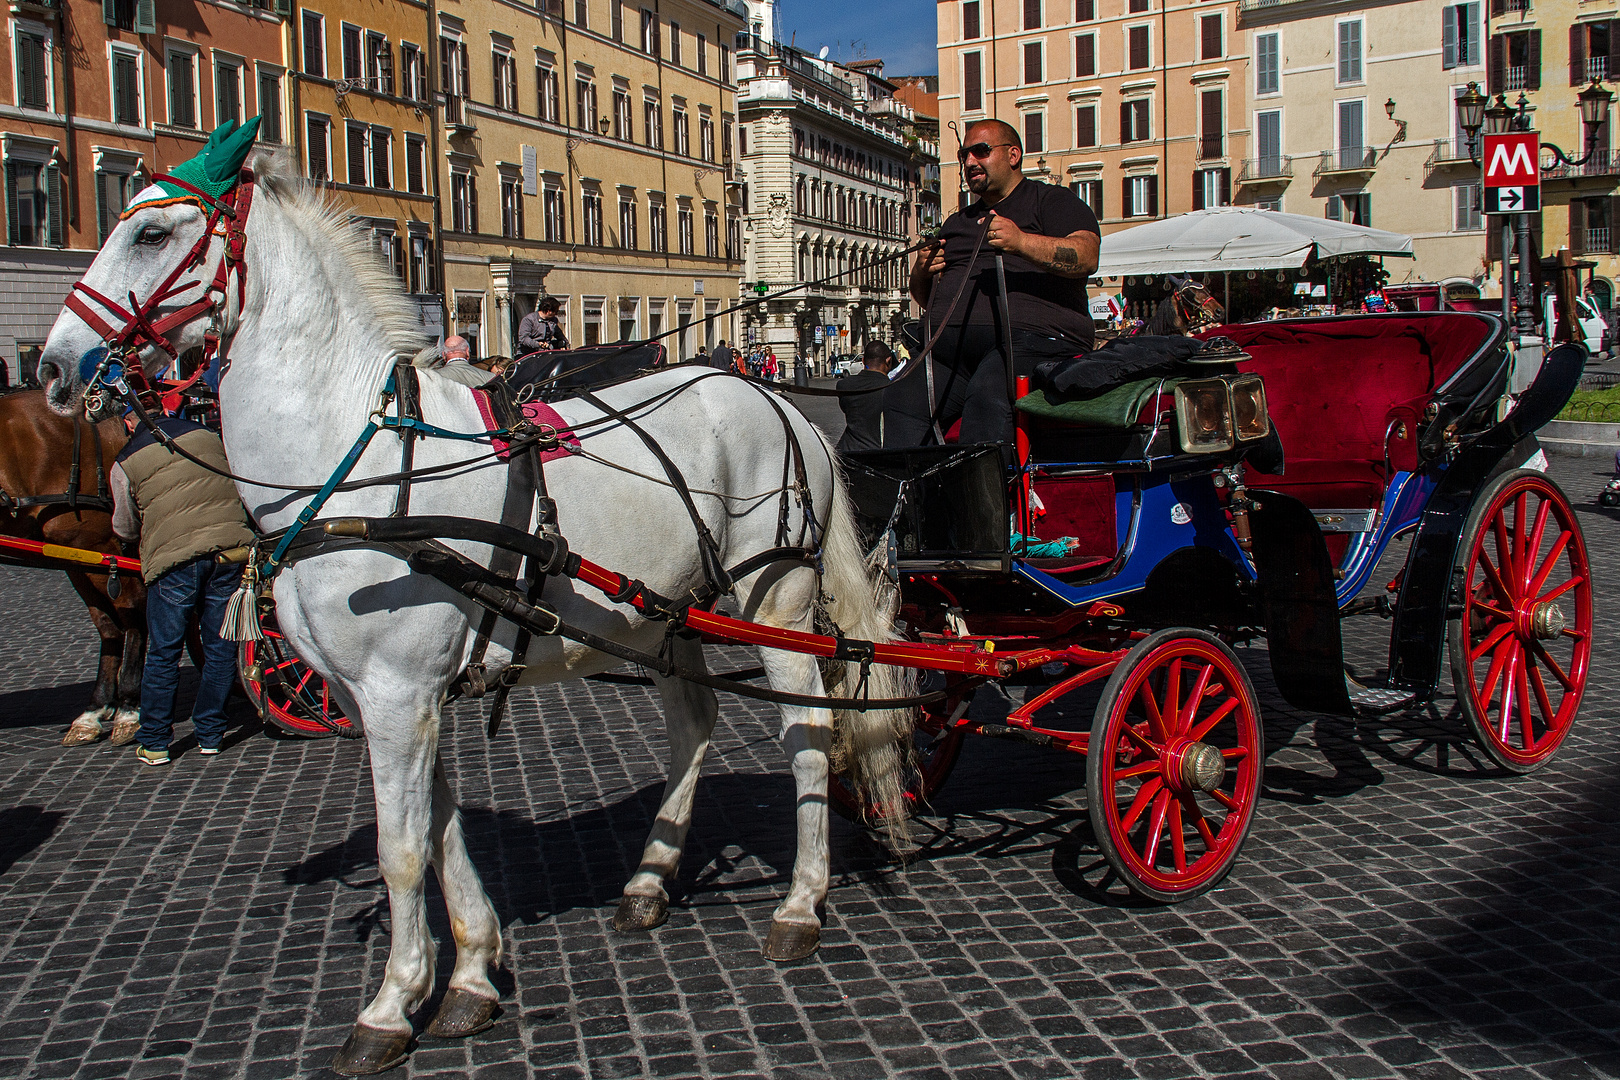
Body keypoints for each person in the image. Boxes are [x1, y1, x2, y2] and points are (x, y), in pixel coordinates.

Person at [887, 118, 1100, 448]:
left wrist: (1021, 242)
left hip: (1033, 342)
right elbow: (928, 299)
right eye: (964, 155)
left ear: (1013, 155)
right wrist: (921, 272)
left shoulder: (1051, 201)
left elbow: (1086, 256)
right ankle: (917, 497)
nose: (970, 162)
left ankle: (987, 499)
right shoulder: (957, 222)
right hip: (950, 354)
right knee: (900, 397)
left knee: (988, 397)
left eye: (981, 151)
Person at [110, 409, 257, 765]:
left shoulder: (125, 462)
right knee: (220, 648)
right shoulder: (208, 436)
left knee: (164, 653)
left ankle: (156, 740)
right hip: (229, 551)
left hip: (176, 562)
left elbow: (125, 527)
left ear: (129, 424)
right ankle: (210, 733)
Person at [835, 341, 897, 452]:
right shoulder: (892, 388)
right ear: (888, 360)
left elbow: (845, 408)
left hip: (848, 451)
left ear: (863, 360)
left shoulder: (844, 385)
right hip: (878, 453)